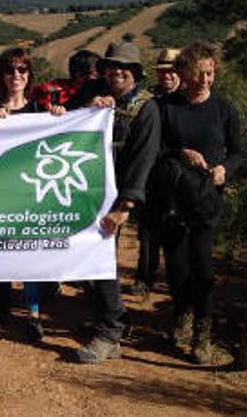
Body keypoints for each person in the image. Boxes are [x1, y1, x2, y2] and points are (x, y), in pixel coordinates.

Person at [0, 47, 66, 343]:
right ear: (2, 75)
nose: (16, 76)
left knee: (29, 256)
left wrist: (59, 118)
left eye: (22, 70)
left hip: (29, 198)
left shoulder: (39, 112)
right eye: (10, 70)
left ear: (29, 75)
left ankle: (33, 316)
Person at [150, 41, 243, 364]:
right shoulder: (166, 107)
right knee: (176, 267)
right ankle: (182, 316)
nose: (205, 79)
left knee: (202, 268)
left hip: (206, 200)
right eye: (199, 73)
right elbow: (155, 150)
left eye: (210, 73)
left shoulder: (224, 108)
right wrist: (179, 153)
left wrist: (224, 171)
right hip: (173, 200)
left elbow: (238, 152)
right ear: (185, 74)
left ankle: (203, 339)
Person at [73, 42, 161, 364]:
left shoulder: (146, 108)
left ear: (136, 73)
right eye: (112, 66)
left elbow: (143, 159)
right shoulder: (93, 90)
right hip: (85, 189)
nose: (118, 72)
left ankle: (111, 331)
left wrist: (124, 207)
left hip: (118, 195)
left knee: (102, 257)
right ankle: (110, 315)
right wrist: (87, 108)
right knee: (87, 258)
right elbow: (63, 122)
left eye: (125, 68)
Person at [131, 47, 181, 299]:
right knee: (148, 231)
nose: (167, 77)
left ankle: (176, 284)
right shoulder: (149, 100)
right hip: (151, 175)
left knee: (176, 235)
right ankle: (144, 278)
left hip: (179, 179)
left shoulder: (188, 101)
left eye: (172, 72)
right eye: (162, 72)